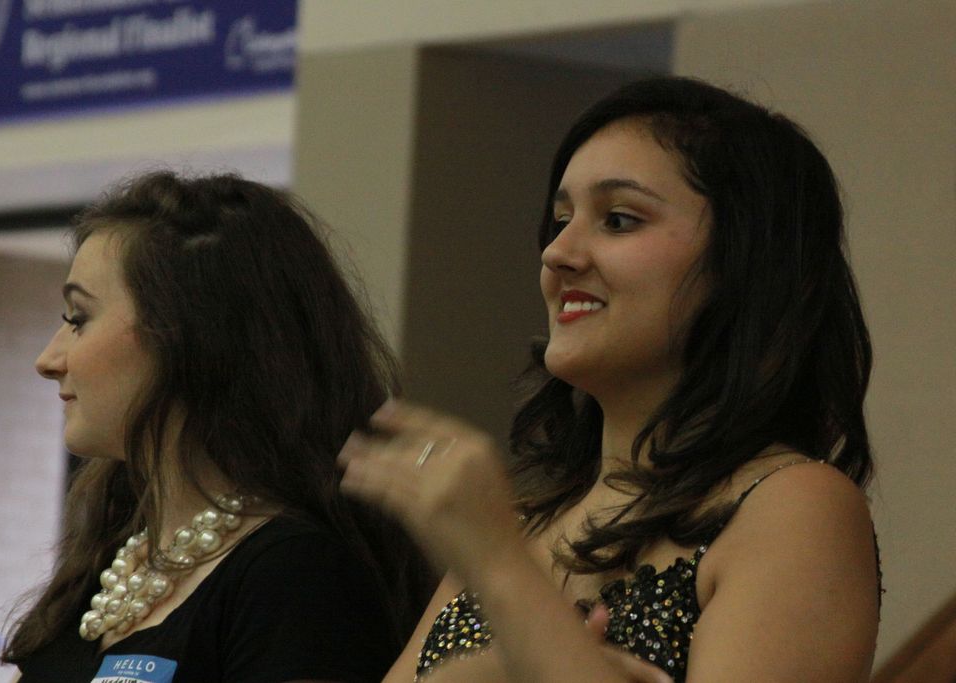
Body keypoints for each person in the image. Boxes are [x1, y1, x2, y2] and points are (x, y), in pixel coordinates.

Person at [338, 76, 881, 682]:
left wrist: (499, 569)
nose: (557, 253)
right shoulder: (526, 520)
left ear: (745, 260)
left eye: (618, 220)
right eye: (560, 219)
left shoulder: (795, 502)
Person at [0, 171, 430, 683]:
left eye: (79, 318)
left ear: (189, 334)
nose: (48, 360)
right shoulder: (114, 556)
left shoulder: (296, 572)